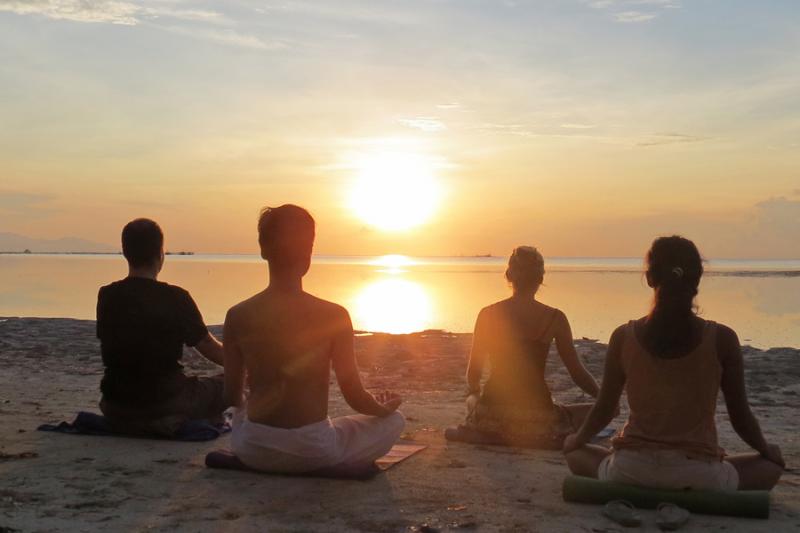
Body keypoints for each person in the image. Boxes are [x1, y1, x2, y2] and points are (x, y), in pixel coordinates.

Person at [563, 236, 785, 491]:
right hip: (699, 475)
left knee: (575, 452)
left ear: (649, 278)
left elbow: (604, 409)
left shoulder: (623, 336)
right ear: (697, 280)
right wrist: (767, 449)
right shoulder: (722, 338)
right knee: (771, 466)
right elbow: (740, 417)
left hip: (630, 469)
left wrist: (577, 440)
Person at [223, 204, 404, 474]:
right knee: (396, 421)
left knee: (240, 415)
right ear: (308, 253)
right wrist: (382, 409)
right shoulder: (334, 315)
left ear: (262, 249)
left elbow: (231, 397)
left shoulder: (237, 315)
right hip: (313, 450)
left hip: (253, 449)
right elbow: (354, 395)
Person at [446, 246, 600, 448]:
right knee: (598, 411)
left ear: (509, 275)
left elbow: (474, 374)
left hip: (493, 411)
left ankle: (485, 432)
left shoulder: (488, 314)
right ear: (541, 278)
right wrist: (603, 398)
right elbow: (577, 373)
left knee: (472, 400)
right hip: (539, 415)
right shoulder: (555, 318)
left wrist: (475, 393)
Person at [97, 218, 225, 436]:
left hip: (115, 403)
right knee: (225, 383)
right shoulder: (176, 297)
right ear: (160, 254)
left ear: (125, 252)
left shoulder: (107, 295)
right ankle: (170, 419)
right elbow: (207, 346)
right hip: (165, 400)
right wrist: (243, 366)